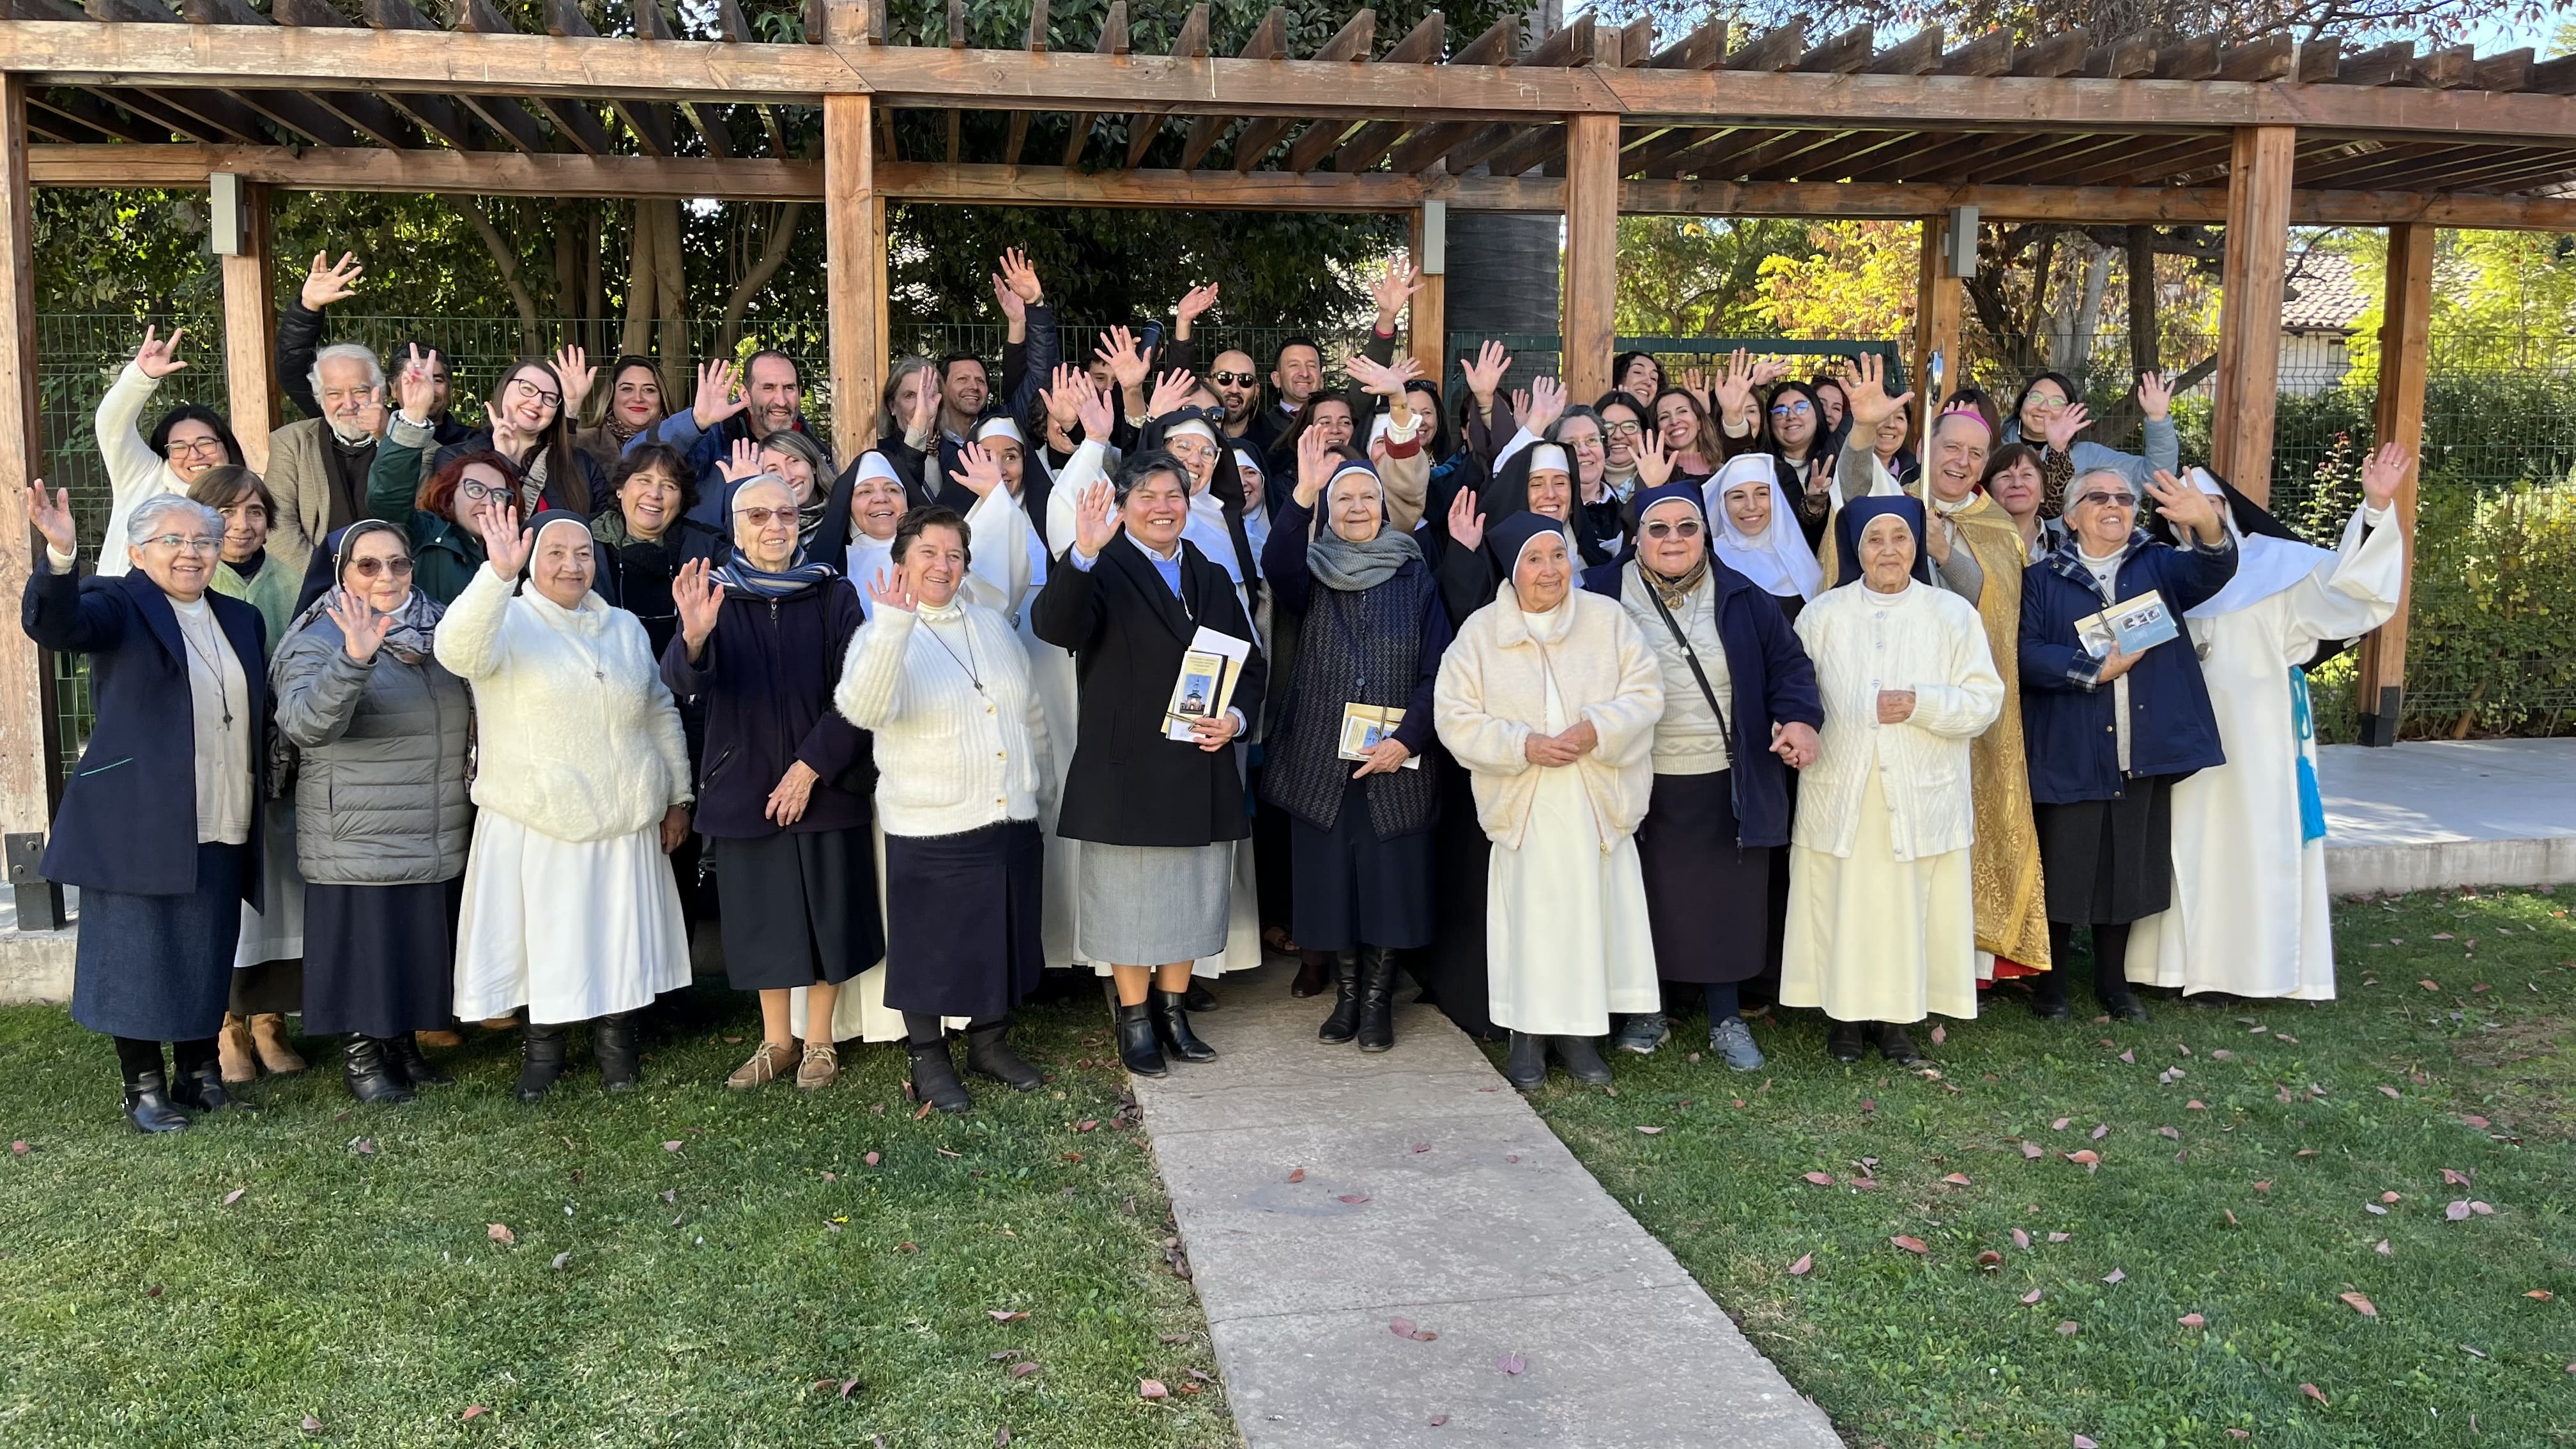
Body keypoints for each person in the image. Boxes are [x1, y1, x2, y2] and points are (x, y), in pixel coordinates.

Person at [22, 488, 268, 1131]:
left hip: (222, 808)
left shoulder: (241, 620)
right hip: (139, 818)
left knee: (206, 947)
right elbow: (56, 625)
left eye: (203, 542)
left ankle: (199, 1076)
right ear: (136, 551)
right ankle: (145, 1090)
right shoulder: (117, 603)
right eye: (173, 542)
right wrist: (60, 553)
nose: (191, 554)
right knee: (136, 953)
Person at [2125, 452, 2408, 1001]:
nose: (2194, 515)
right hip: (2179, 732)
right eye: (2180, 508)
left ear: (2226, 509)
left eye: (2207, 503)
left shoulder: (2280, 565)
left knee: (2250, 844)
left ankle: (2250, 971)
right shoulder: (2158, 570)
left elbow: (2355, 593)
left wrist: (2374, 508)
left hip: (2255, 738)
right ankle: (2169, 970)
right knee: (2179, 842)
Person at [437, 501, 694, 1100]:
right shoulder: (507, 620)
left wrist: (678, 795)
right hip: (540, 816)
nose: (571, 565)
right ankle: (544, 1051)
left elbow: (658, 710)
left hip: (626, 811)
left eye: (583, 554)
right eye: (555, 553)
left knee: (618, 935)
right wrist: (497, 576)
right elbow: (457, 652)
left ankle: (616, 1045)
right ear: (531, 561)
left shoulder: (625, 628)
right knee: (546, 939)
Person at [1031, 451, 1268, 1078]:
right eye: (1148, 497)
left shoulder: (1210, 575)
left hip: (1200, 758)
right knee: (1129, 902)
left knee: (1191, 895)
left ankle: (1174, 1011)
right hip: (1126, 767)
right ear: (1123, 506)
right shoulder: (1101, 566)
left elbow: (1250, 664)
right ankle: (1135, 1020)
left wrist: (1237, 720)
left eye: (1174, 496)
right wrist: (1080, 555)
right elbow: (1056, 626)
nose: (1163, 507)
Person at [1584, 475, 1822, 1070]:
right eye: (1658, 528)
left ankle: (1726, 1016)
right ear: (1636, 537)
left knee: (1726, 902)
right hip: (1637, 774)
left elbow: (1790, 669)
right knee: (1646, 898)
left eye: (1687, 527)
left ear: (1705, 534)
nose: (1673, 539)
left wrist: (1799, 721)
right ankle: (1648, 1009)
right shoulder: (1599, 595)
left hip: (1725, 774)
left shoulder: (1745, 596)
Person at [1432, 514, 1663, 1090]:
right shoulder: (1482, 634)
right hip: (1526, 801)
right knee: (1531, 925)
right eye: (1535, 560)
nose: (1550, 570)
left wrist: (1597, 730)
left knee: (1590, 919)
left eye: (1558, 556)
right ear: (1513, 572)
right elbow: (1453, 717)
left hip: (1595, 797)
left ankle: (1581, 1039)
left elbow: (1646, 692)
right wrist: (1521, 745)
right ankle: (1528, 1041)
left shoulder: (1607, 621)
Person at [836, 506, 1055, 1111]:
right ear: (900, 563)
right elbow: (864, 709)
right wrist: (892, 630)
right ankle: (929, 1059)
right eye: (928, 553)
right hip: (933, 822)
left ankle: (989, 1043)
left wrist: (1043, 788)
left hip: (1009, 813)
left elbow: (1028, 711)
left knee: (1000, 934)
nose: (943, 565)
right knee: (929, 948)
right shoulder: (880, 633)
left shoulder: (991, 625)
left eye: (954, 554)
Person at [665, 475, 877, 1092]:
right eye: (758, 515)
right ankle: (775, 1042)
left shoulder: (834, 596)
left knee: (826, 916)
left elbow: (858, 694)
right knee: (764, 919)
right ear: (736, 526)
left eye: (786, 513)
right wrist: (695, 636)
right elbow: (682, 681)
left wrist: (811, 767)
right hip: (744, 786)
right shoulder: (714, 595)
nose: (774, 526)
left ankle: (819, 1043)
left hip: (827, 780)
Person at [1846, 362, 2055, 985]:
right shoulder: (1898, 502)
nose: (1963, 461)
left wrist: (1945, 551)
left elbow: (1985, 602)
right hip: (1897, 702)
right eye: (1951, 448)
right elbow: (1857, 486)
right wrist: (1861, 433)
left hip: (1958, 705)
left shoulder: (1995, 527)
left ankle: (1969, 965)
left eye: (1975, 452)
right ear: (1926, 448)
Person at [1781, 496, 2003, 1063]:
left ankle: (1900, 1022)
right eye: (1875, 540)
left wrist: (1922, 703)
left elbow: (1985, 702)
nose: (1888, 550)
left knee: (1908, 909)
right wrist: (1788, 728)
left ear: (1915, 547)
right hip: (1843, 789)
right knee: (1843, 903)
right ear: (1858, 551)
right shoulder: (1822, 616)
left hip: (1919, 791)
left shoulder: (1952, 615)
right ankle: (1845, 1022)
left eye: (1900, 538)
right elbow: (1793, 691)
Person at [2019, 466, 2239, 1022]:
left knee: (2129, 867)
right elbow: (2024, 652)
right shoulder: (2042, 579)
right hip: (2071, 744)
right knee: (2065, 865)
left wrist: (2209, 528)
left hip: (2139, 747)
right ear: (2070, 516)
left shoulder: (2161, 565)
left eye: (2124, 497)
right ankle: (2054, 984)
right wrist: (2089, 668)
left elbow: (2216, 570)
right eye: (2099, 497)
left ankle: (2115, 984)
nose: (2114, 504)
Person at [1261, 431, 1452, 1052]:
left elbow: (1438, 669)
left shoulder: (1414, 574)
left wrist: (1408, 737)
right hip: (1319, 755)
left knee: (1389, 882)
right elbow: (1277, 563)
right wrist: (1304, 492)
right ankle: (1345, 995)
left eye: (1366, 497)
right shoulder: (1309, 572)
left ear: (1384, 505)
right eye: (1343, 500)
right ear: (1329, 510)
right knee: (1331, 884)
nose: (1356, 508)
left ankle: (1377, 1002)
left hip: (1396, 757)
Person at [270, 520, 473, 1104]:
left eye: (398, 563)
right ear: (341, 572)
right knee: (368, 944)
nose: (386, 577)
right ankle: (364, 1053)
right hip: (357, 823)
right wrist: (354, 659)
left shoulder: (439, 626)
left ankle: (402, 1044)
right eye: (368, 565)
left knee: (413, 939)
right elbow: (307, 724)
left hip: (428, 817)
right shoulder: (319, 635)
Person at [188, 466, 309, 1083]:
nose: (241, 525)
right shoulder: (187, 583)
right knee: (222, 889)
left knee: (279, 898)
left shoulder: (292, 582)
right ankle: (224, 1029)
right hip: (209, 760)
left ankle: (269, 1021)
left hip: (277, 759)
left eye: (254, 511)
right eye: (227, 513)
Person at [95, 326, 244, 578]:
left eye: (205, 442)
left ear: (225, 445)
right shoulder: (143, 477)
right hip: (121, 611)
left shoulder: (248, 499)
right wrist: (141, 377)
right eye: (179, 447)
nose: (194, 455)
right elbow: (111, 426)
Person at [368, 347, 508, 604]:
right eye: (475, 489)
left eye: (499, 494)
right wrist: (412, 418)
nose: (489, 502)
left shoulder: (523, 548)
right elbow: (388, 499)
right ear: (449, 496)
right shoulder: (424, 535)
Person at [631, 351, 836, 521]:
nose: (781, 401)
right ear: (745, 394)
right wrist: (696, 422)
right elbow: (632, 458)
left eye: (789, 388)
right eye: (769, 388)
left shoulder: (817, 453)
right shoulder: (710, 439)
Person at [263, 341, 388, 578]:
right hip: (315, 587)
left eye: (360, 391)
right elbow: (277, 525)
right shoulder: (291, 443)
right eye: (335, 394)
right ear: (320, 398)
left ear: (380, 392)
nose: (349, 404)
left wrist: (387, 439)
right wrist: (327, 582)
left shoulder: (417, 445)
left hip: (393, 583)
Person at [588, 442, 723, 656]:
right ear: (620, 488)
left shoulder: (704, 546)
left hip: (680, 685)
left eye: (669, 486)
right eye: (644, 480)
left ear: (682, 501)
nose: (655, 494)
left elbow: (755, 561)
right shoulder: (583, 544)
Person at [433, 351, 606, 518]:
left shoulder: (582, 464)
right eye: (527, 389)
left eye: (550, 398)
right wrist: (502, 460)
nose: (537, 402)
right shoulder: (455, 458)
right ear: (504, 388)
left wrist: (573, 405)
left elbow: (605, 522)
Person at [2005, 371, 2179, 493]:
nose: (2043, 408)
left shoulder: (2089, 457)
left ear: (2072, 412)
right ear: (2021, 403)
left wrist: (2158, 419)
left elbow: (2155, 478)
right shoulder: (1992, 446)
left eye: (2057, 402)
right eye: (2035, 398)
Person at [1704, 453, 1825, 624]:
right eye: (1738, 496)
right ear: (1723, 504)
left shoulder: (1798, 556)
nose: (1751, 506)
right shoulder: (1709, 559)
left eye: (1761, 494)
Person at [574, 355, 669, 477]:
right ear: (611, 398)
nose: (638, 398)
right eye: (627, 389)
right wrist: (572, 404)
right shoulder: (583, 443)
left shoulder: (684, 443)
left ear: (661, 399)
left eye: (649, 390)